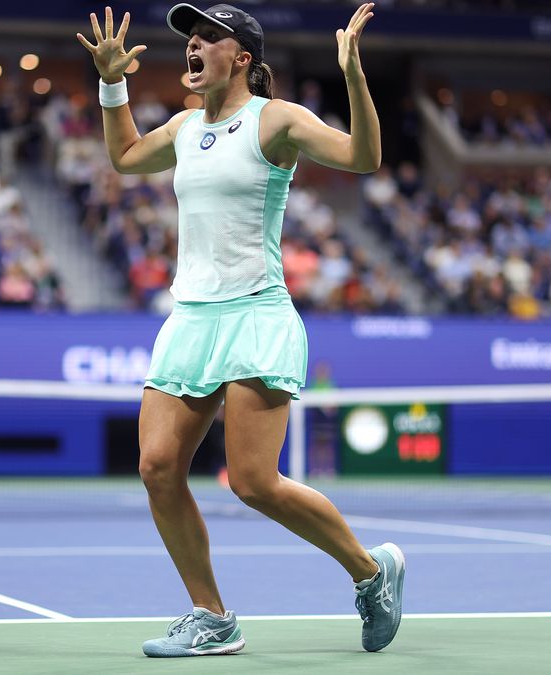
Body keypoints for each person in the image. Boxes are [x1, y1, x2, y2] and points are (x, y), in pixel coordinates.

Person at [77, 2, 403, 658]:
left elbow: (363, 157)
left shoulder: (275, 120)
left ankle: (371, 572)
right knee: (157, 467)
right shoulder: (183, 126)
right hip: (191, 318)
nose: (193, 47)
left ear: (242, 58)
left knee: (254, 481)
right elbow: (126, 156)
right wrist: (112, 85)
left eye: (208, 38)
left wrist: (352, 75)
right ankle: (212, 615)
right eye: (189, 39)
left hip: (255, 312)